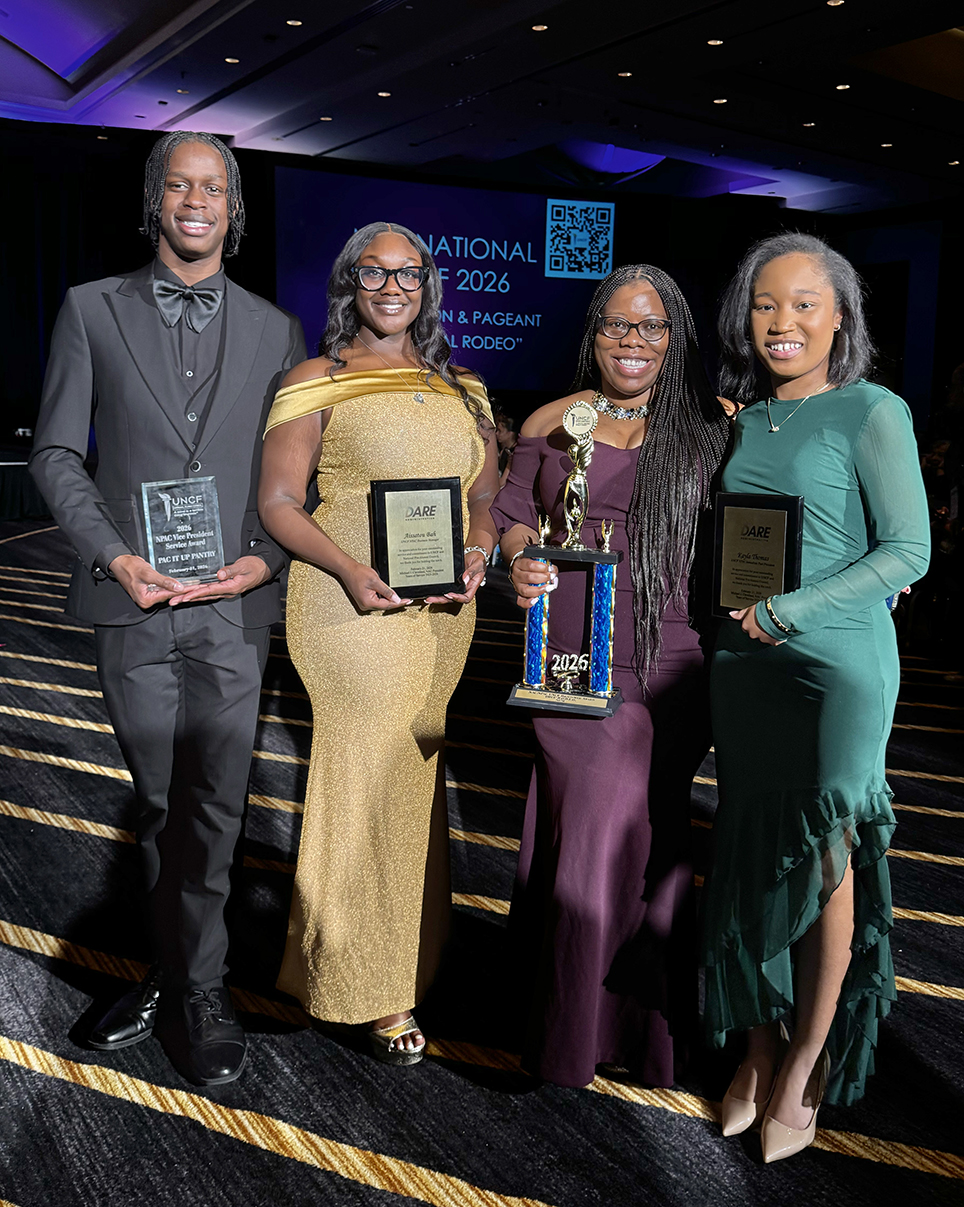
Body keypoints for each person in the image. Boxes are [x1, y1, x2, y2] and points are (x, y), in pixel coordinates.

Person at [29, 132, 306, 1086]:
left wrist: (262, 563)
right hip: (134, 604)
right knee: (159, 804)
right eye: (180, 185)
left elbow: (289, 481)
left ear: (236, 207)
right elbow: (57, 454)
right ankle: (182, 967)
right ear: (157, 200)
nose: (198, 200)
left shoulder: (277, 330)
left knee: (216, 807)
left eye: (215, 187)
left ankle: (195, 987)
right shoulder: (87, 309)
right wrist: (113, 553)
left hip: (232, 612)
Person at [702, 233, 930, 1162]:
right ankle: (756, 1047)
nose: (782, 321)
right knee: (755, 854)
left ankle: (804, 1062)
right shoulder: (745, 419)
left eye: (803, 303)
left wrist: (791, 609)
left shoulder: (874, 409)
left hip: (835, 665)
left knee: (824, 857)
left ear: (840, 316)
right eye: (765, 303)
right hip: (744, 666)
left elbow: (907, 551)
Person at [258, 221, 498, 1064]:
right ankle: (369, 988)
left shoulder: (464, 385)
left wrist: (477, 550)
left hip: (439, 613)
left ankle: (374, 957)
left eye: (409, 273)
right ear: (349, 284)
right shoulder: (316, 378)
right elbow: (280, 502)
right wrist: (351, 570)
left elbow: (484, 496)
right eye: (374, 272)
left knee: (410, 776)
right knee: (363, 769)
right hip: (346, 604)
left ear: (430, 283)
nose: (393, 287)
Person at [491, 264, 730, 1088]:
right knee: (593, 825)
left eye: (653, 326)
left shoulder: (715, 425)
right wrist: (518, 563)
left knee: (652, 832)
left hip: (676, 660)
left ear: (677, 338)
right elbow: (511, 518)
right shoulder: (554, 423)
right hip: (572, 654)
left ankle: (639, 1027)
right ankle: (569, 1035)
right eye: (617, 325)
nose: (635, 341)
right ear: (592, 332)